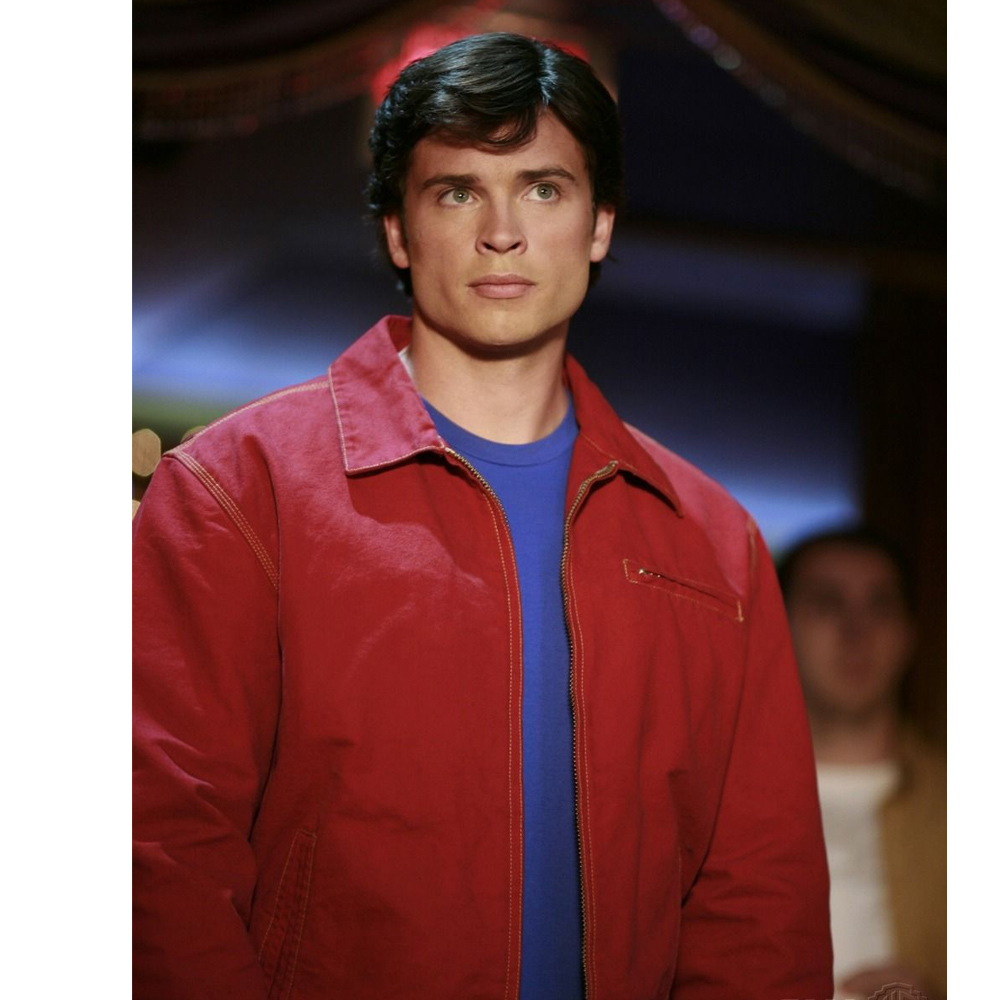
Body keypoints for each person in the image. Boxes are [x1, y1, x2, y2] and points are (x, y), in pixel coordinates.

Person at [133, 32, 832, 999]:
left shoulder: (713, 541)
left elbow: (760, 904)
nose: (502, 231)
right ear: (398, 231)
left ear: (599, 223)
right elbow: (159, 854)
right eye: (458, 192)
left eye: (543, 189)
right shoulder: (239, 489)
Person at [779, 526, 946, 1000]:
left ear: (910, 633)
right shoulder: (715, 805)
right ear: (778, 626)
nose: (857, 632)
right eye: (827, 604)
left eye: (880, 606)